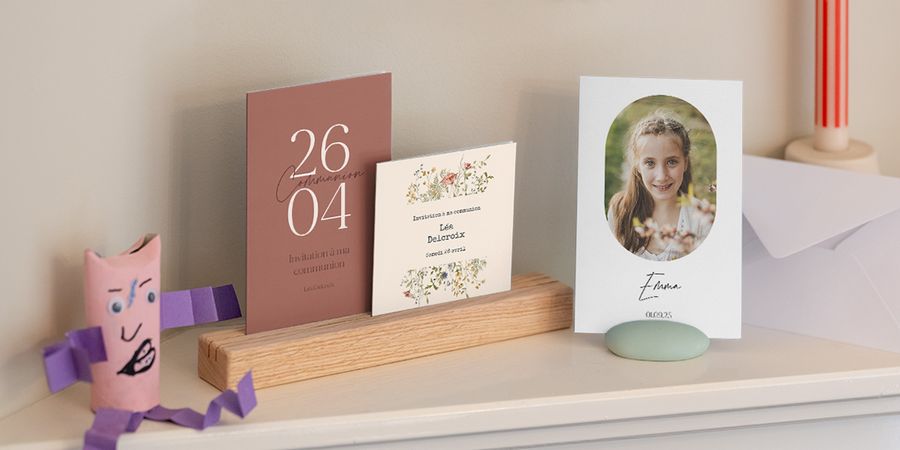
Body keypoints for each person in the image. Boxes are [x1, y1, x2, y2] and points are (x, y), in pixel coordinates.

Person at [607, 111, 713, 261]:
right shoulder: (619, 212)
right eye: (650, 163)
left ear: (685, 162)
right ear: (637, 165)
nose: (662, 176)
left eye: (671, 162)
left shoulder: (701, 220)